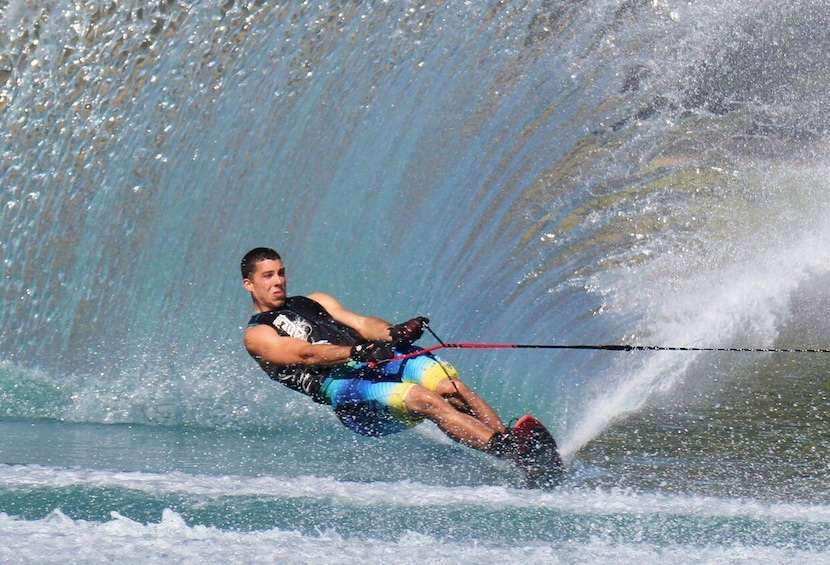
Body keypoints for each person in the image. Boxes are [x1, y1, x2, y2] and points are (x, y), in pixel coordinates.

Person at [240, 247, 520, 460]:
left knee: (452, 388)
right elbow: (305, 354)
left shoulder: (314, 301)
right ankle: (508, 451)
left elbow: (363, 324)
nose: (278, 281)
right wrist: (356, 351)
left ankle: (516, 449)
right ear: (249, 284)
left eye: (281, 272)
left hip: (373, 364)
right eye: (267, 276)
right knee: (425, 399)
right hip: (347, 395)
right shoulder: (257, 335)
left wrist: (392, 332)